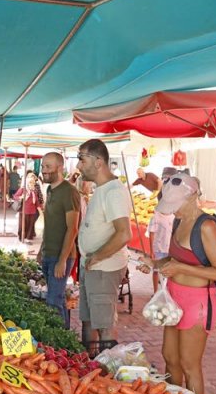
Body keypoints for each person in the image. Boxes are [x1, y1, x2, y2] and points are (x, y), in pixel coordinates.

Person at [146, 173, 216, 394]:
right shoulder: (178, 221)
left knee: (189, 363)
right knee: (170, 356)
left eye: (175, 205)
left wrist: (181, 270)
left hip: (198, 303)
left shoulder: (207, 226)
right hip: (173, 298)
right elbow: (176, 260)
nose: (172, 210)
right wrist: (154, 264)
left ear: (192, 197)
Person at [76, 139, 132, 350]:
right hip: (92, 266)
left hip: (103, 268)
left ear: (98, 162)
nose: (78, 166)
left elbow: (124, 233)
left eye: (82, 159)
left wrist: (98, 256)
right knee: (89, 318)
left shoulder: (113, 192)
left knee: (104, 323)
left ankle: (107, 372)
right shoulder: (101, 189)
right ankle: (90, 363)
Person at [37, 153, 81, 325]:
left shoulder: (69, 192)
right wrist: (41, 249)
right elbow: (50, 224)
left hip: (61, 255)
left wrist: (62, 260)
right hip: (49, 253)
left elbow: (73, 227)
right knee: (58, 298)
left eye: (48, 166)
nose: (44, 170)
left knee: (53, 302)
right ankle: (65, 339)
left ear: (60, 168)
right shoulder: (49, 189)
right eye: (43, 166)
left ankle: (57, 343)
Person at [147, 167, 177, 293]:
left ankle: (166, 291)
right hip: (159, 248)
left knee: (168, 271)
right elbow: (151, 233)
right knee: (156, 270)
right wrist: (152, 250)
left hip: (169, 249)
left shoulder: (174, 215)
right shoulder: (156, 216)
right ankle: (155, 292)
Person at [14, 173, 42, 242]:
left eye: (33, 184)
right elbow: (15, 196)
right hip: (23, 211)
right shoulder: (23, 190)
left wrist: (40, 211)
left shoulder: (34, 192)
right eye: (30, 183)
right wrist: (21, 197)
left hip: (32, 211)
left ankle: (28, 238)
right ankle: (22, 237)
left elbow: (37, 202)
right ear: (27, 183)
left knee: (30, 225)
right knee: (23, 225)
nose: (32, 185)